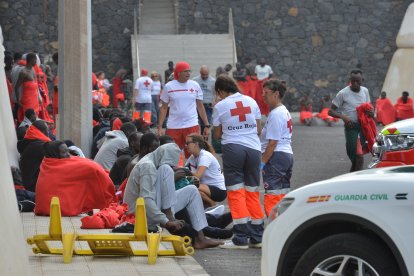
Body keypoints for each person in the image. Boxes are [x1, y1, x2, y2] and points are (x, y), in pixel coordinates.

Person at [123, 143, 222, 249]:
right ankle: (168, 214)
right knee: (165, 169)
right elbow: (146, 200)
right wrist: (166, 222)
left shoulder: (154, 160)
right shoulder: (147, 166)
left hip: (153, 211)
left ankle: (201, 238)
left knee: (192, 191)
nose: (171, 168)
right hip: (139, 215)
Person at [212, 75, 264, 249]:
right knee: (252, 192)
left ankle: (240, 238)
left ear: (220, 91)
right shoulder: (251, 101)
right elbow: (258, 128)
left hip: (233, 149)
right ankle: (257, 236)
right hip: (254, 150)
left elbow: (218, 135)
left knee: (236, 192)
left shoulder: (220, 106)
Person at [35, 140, 115, 216]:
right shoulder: (60, 165)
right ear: (54, 154)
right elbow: (92, 168)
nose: (68, 155)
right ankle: (96, 206)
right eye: (63, 152)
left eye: (68, 151)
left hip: (43, 208)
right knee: (91, 179)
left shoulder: (47, 163)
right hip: (59, 209)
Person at [158, 61, 210, 157]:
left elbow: (200, 106)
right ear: (178, 72)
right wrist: (160, 126)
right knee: (172, 155)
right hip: (173, 126)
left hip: (192, 125)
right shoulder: (169, 86)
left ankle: (193, 172)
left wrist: (207, 125)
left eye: (189, 71)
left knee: (194, 155)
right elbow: (164, 108)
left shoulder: (195, 85)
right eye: (185, 71)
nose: (188, 73)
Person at [261, 79, 293, 216]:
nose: (263, 95)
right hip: (286, 155)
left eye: (266, 92)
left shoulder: (276, 114)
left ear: (276, 94)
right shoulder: (283, 111)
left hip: (276, 157)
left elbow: (273, 142)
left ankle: (272, 226)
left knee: (272, 193)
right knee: (283, 192)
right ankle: (284, 221)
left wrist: (262, 163)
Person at [329, 70, 372, 172]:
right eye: (353, 81)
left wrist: (371, 112)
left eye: (358, 81)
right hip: (351, 127)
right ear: (349, 80)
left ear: (362, 80)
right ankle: (354, 180)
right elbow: (330, 111)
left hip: (363, 128)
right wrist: (344, 117)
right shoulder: (343, 93)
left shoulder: (365, 91)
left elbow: (369, 107)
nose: (355, 83)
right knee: (356, 157)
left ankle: (353, 180)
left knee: (358, 158)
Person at [185, 134, 227, 208]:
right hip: (206, 187)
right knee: (188, 185)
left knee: (191, 187)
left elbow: (197, 176)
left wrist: (183, 171)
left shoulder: (205, 156)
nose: (186, 145)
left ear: (196, 144)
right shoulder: (192, 157)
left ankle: (213, 205)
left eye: (188, 143)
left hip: (219, 190)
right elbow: (184, 170)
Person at [17, 120, 51, 192]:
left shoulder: (29, 142)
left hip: (29, 183)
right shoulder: (39, 146)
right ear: (41, 131)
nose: (48, 133)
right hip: (34, 186)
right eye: (47, 130)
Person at [15, 53, 41, 122]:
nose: (36, 61)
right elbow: (17, 87)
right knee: (28, 119)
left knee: (35, 118)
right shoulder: (23, 72)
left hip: (35, 99)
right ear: (31, 60)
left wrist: (39, 97)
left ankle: (34, 132)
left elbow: (36, 85)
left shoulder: (33, 70)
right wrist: (18, 101)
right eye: (35, 59)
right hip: (27, 100)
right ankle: (27, 132)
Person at [193, 65, 216, 134]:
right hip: (197, 105)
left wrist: (214, 101)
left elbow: (216, 93)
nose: (205, 76)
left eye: (206, 74)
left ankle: (204, 142)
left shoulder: (213, 81)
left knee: (206, 125)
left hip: (208, 106)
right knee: (196, 124)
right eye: (203, 74)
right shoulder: (195, 80)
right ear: (200, 72)